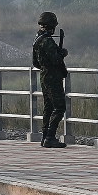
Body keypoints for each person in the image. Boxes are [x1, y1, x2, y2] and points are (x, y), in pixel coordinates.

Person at [33, 11, 69, 148]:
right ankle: (50, 136)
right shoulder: (47, 41)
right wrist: (62, 53)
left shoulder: (37, 40)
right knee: (60, 107)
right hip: (53, 78)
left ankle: (45, 136)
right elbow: (56, 59)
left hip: (44, 76)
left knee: (48, 107)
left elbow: (35, 63)